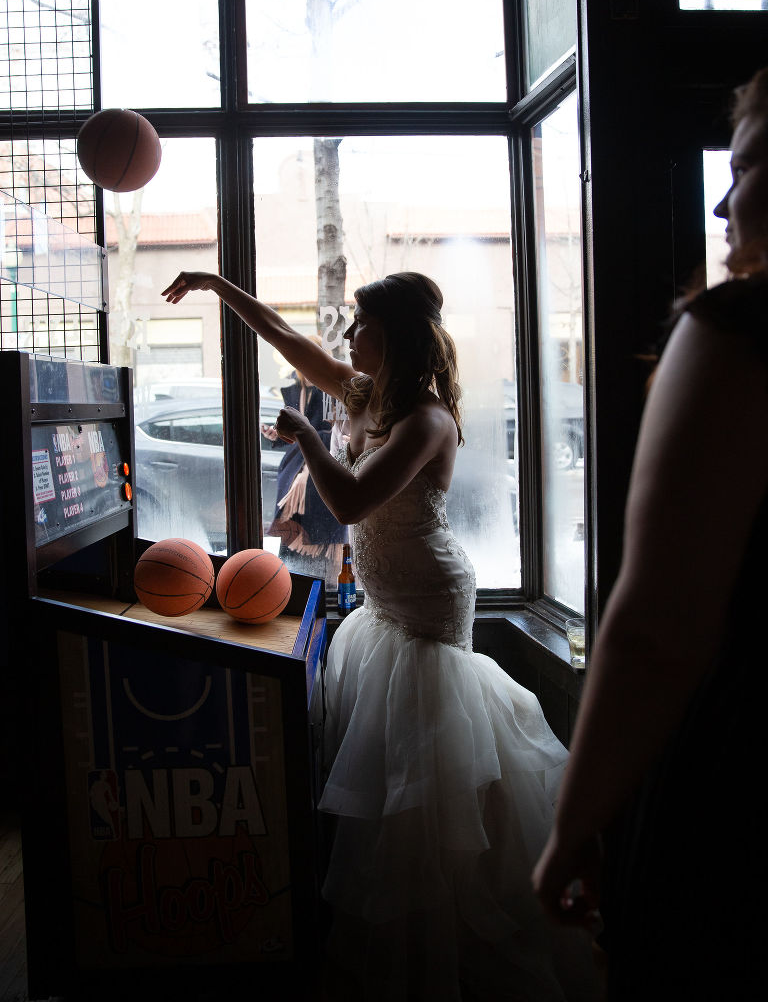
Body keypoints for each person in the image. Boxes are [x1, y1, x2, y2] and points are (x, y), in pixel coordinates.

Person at [163, 269, 601, 1001]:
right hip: (383, 610)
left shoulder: (427, 419)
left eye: (358, 324)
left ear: (390, 334)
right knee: (391, 778)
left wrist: (305, 432)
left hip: (427, 604)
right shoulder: (366, 395)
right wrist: (215, 285)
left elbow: (357, 502)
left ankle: (446, 950)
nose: (345, 338)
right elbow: (284, 337)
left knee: (424, 790)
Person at [532, 67, 768, 1001]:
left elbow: (657, 628)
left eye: (745, 166)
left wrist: (576, 824)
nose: (722, 197)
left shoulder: (739, 332)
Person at [261, 341, 348, 578]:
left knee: (321, 544)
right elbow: (292, 435)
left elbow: (337, 435)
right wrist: (277, 436)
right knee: (294, 544)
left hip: (319, 470)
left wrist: (304, 432)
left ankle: (320, 583)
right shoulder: (293, 388)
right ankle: (294, 582)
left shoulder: (330, 389)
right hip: (295, 472)